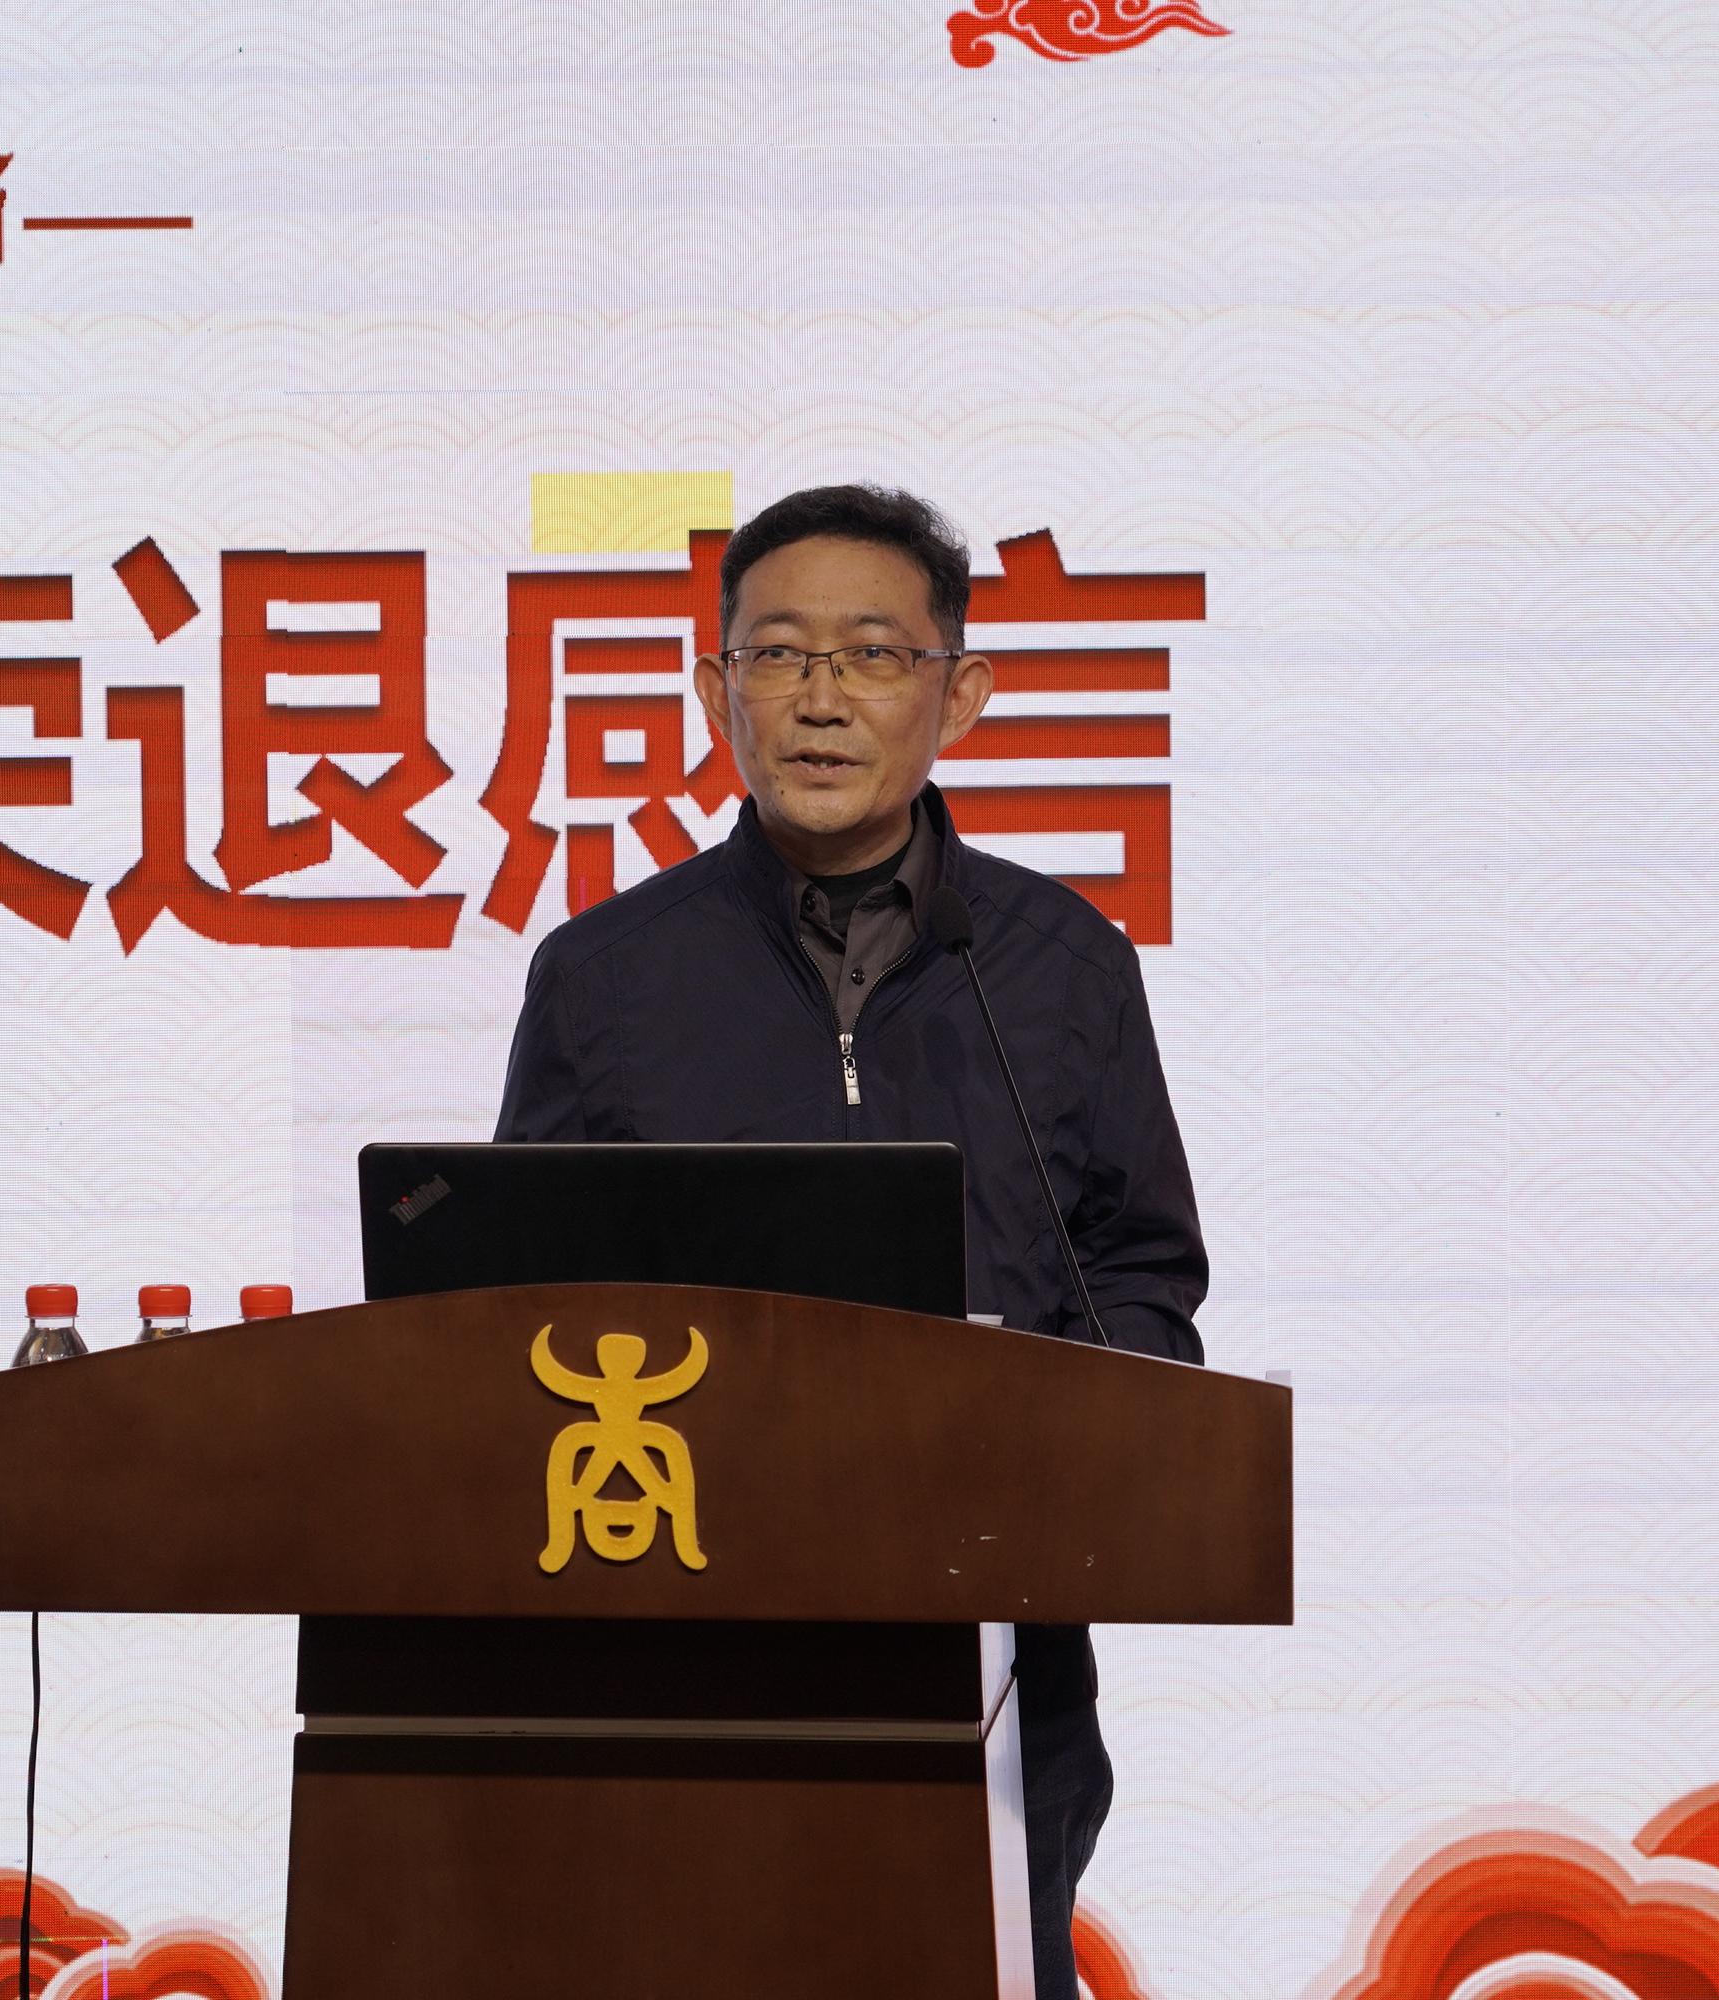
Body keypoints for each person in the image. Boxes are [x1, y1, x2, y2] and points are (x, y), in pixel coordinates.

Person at [493, 482, 1208, 1997]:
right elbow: (515, 1307)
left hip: (995, 1645)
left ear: (961, 694)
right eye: (777, 655)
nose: (820, 700)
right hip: (682, 1654)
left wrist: (1079, 1446)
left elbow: (1139, 1271)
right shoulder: (605, 977)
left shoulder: (1062, 967)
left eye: (874, 655)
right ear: (717, 693)